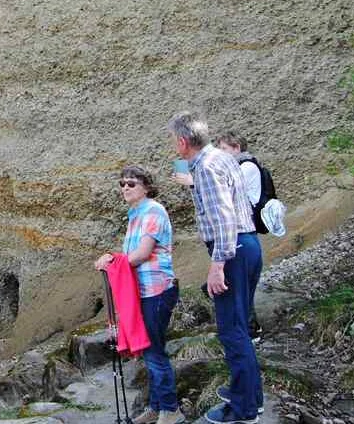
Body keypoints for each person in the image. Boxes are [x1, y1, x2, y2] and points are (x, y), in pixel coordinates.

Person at [168, 113, 263, 424]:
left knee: (232, 331)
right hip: (248, 245)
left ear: (182, 142)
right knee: (240, 326)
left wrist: (217, 265)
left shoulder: (206, 168)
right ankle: (250, 396)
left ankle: (243, 409)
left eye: (174, 140)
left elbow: (223, 217)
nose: (174, 146)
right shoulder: (221, 158)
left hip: (231, 250)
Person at [94, 167, 183, 424]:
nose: (124, 188)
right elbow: (130, 257)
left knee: (154, 351)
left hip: (157, 289)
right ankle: (156, 407)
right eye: (122, 184)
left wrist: (112, 265)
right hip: (143, 291)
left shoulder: (153, 211)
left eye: (131, 184)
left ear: (146, 186)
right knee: (149, 350)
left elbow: (143, 254)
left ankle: (171, 410)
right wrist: (114, 260)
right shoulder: (135, 214)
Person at [215, 131, 267, 338]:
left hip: (244, 231)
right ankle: (249, 329)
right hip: (245, 232)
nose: (220, 155)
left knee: (241, 287)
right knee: (242, 287)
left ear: (236, 147)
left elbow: (227, 192)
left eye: (224, 149)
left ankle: (249, 332)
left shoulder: (245, 167)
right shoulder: (243, 166)